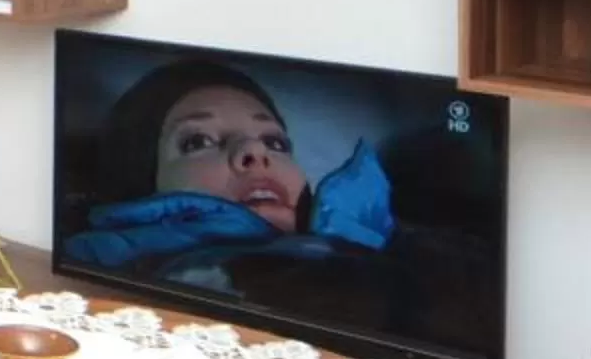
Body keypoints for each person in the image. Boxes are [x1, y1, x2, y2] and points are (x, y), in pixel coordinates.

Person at [60, 58, 391, 271]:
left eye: (274, 142)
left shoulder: (389, 241)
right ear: (144, 179)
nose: (254, 151)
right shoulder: (104, 258)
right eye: (199, 141)